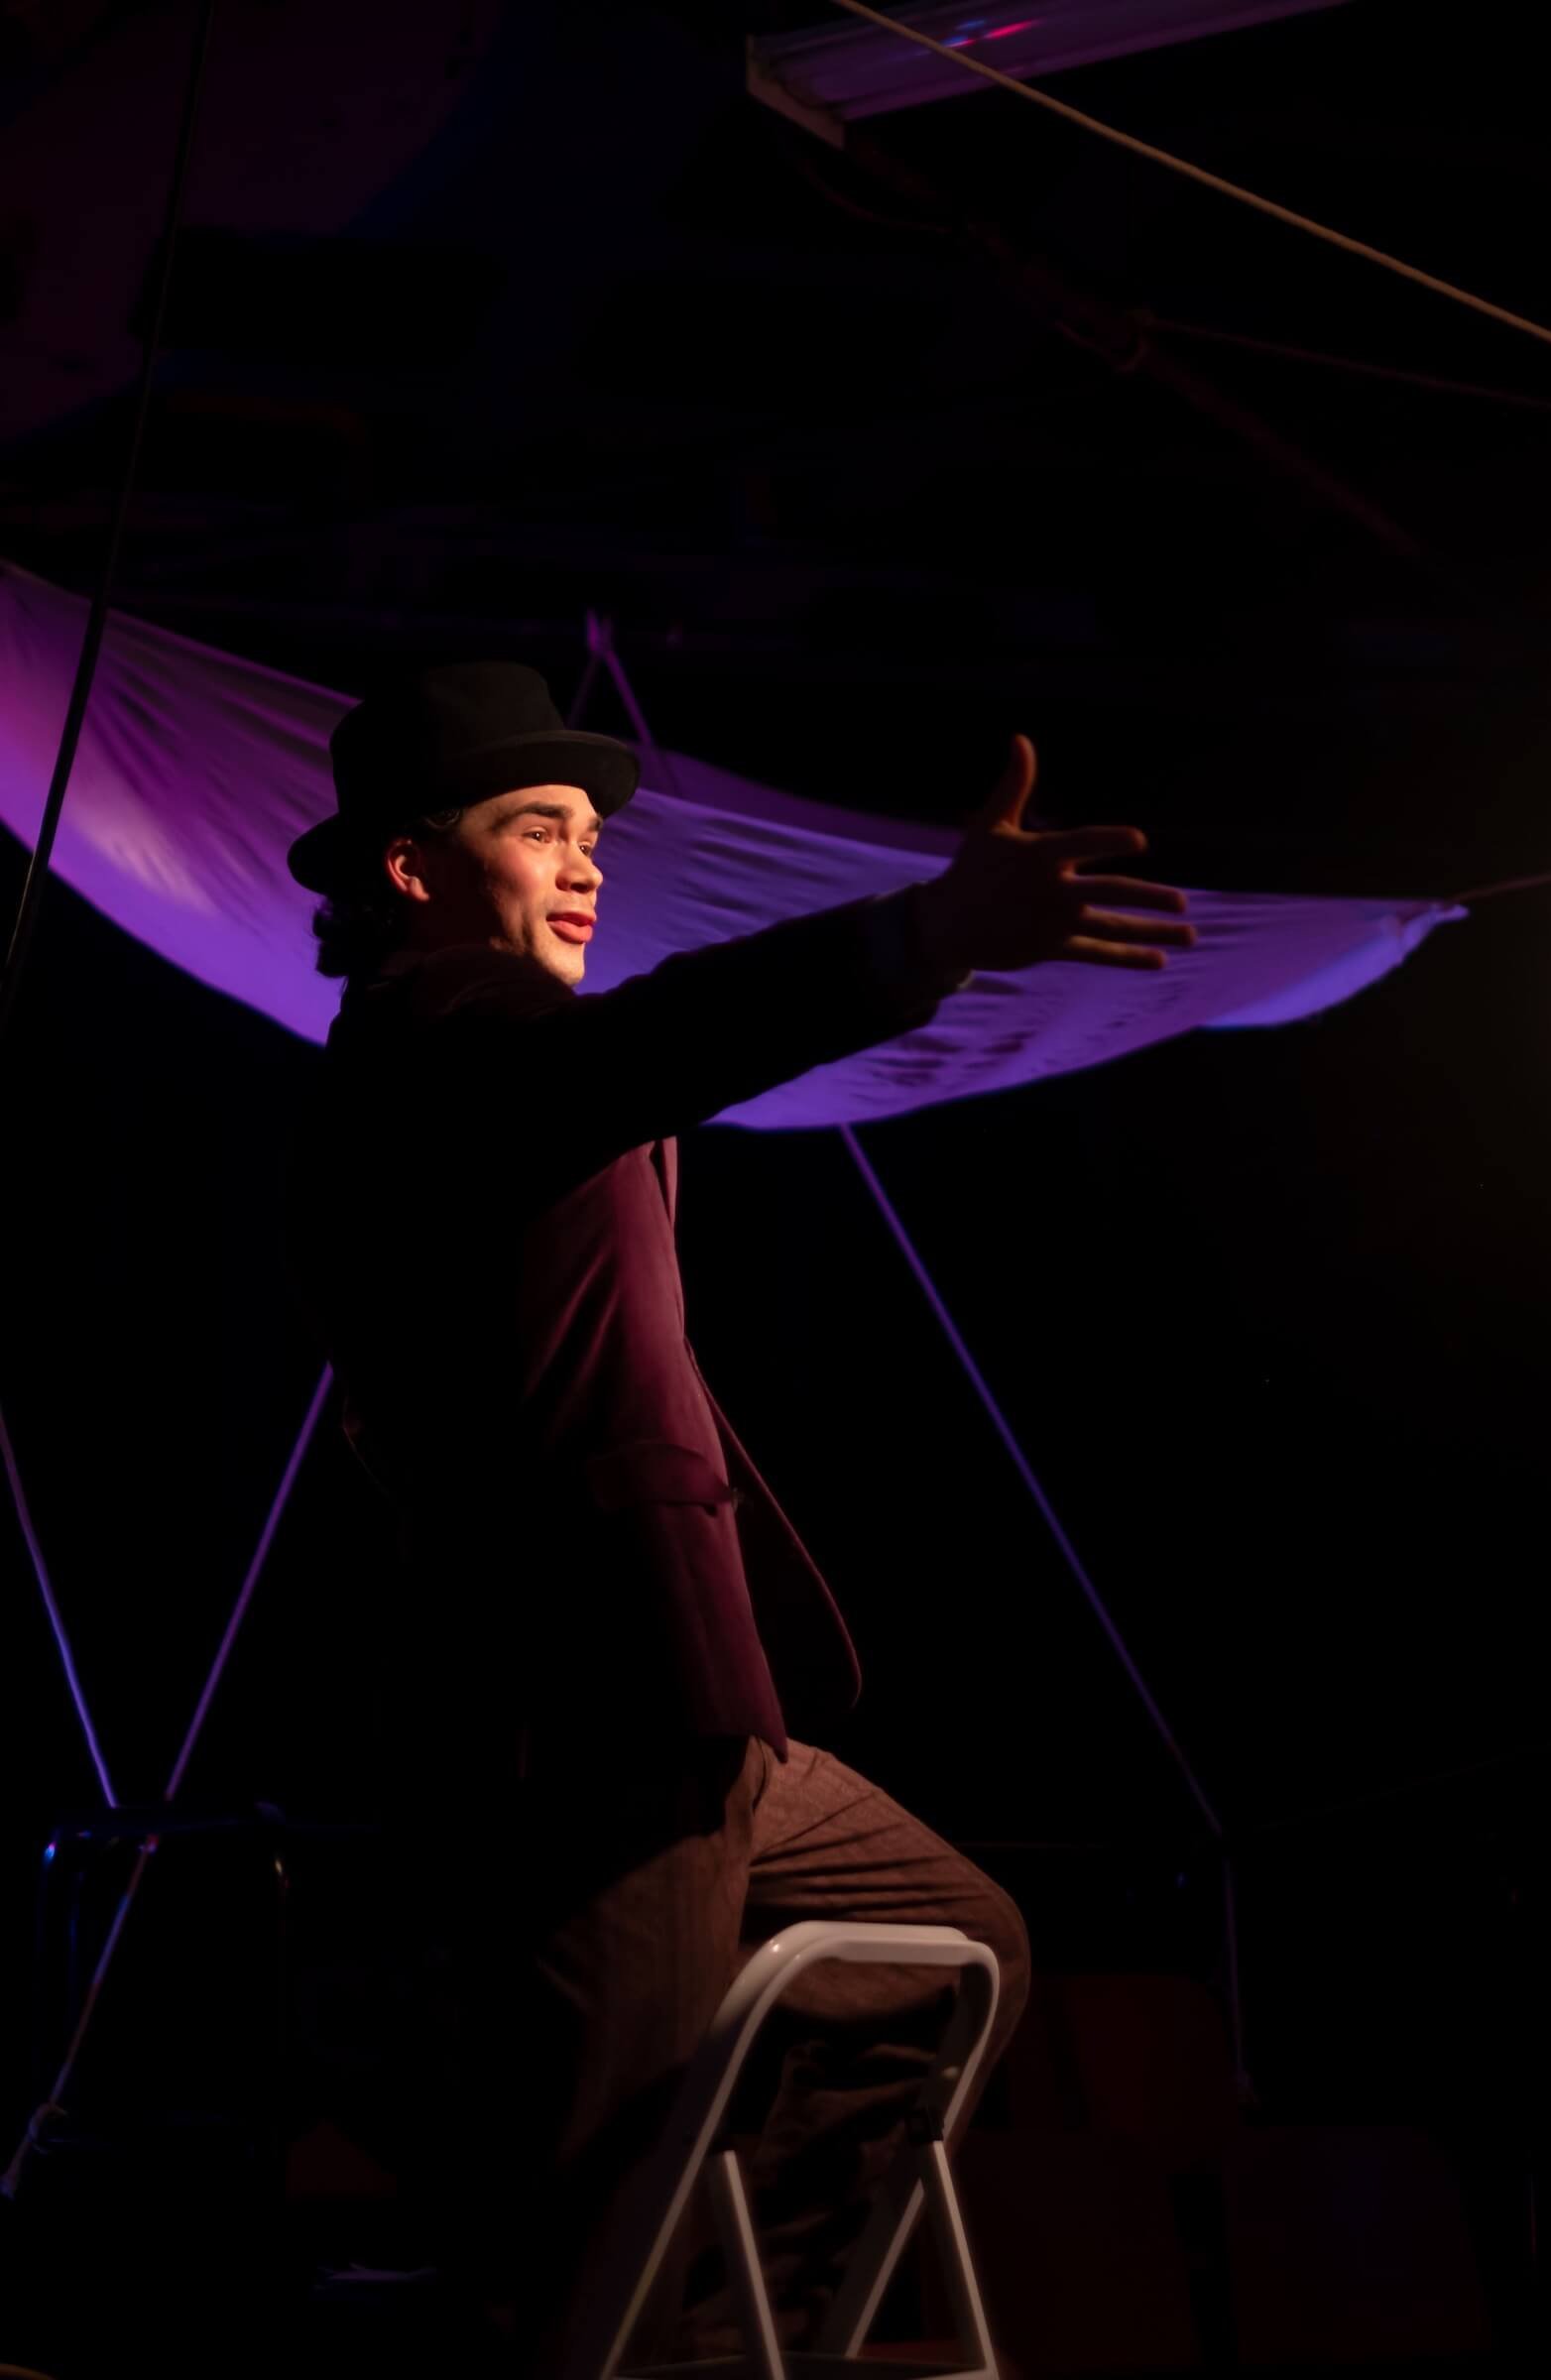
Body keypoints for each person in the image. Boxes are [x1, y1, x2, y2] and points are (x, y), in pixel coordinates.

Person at [281, 661, 1195, 2371]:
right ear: (410, 870)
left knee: (953, 1942)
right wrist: (924, 935)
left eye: (592, 834)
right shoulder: (442, 1045)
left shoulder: (507, 1065)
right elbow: (670, 1036)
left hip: (689, 1684)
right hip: (594, 1699)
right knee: (588, 2197)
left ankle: (703, 2305)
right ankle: (615, 2320)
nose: (586, 862)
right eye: (538, 827)